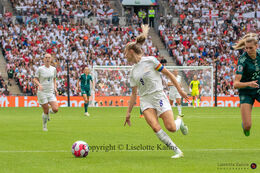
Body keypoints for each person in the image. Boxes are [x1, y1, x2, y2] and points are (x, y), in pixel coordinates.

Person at [124, 24, 189, 159]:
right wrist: (128, 113)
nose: (125, 56)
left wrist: (180, 90)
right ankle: (177, 151)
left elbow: (169, 74)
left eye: (125, 53)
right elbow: (133, 94)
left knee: (171, 127)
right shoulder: (132, 72)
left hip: (158, 96)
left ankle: (180, 122)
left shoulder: (151, 61)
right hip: (145, 100)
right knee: (155, 127)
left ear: (131, 51)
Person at [233, 33, 260, 136]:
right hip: (246, 91)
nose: (248, 50)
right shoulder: (242, 60)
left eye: (251, 48)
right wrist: (249, 84)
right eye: (246, 48)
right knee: (247, 126)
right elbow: (235, 84)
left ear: (256, 46)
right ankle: (244, 125)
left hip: (258, 87)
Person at [34, 53, 59, 131]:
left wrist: (55, 88)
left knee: (55, 109)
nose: (47, 59)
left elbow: (54, 79)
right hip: (42, 92)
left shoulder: (53, 69)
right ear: (44, 59)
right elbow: (35, 79)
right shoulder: (40, 69)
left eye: (49, 57)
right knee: (45, 110)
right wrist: (39, 85)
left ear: (51, 59)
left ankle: (48, 114)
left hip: (50, 91)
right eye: (46, 57)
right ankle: (44, 126)